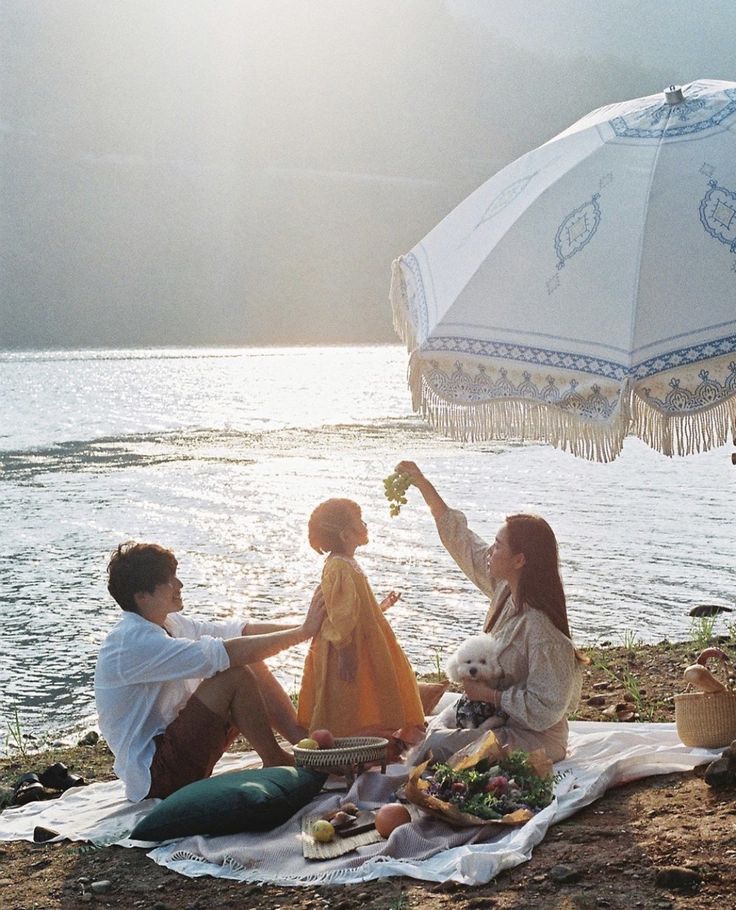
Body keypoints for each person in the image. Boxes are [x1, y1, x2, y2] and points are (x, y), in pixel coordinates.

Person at [95, 541, 325, 802]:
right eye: (170, 581)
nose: (180, 585)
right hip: (156, 775)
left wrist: (313, 627)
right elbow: (226, 653)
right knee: (235, 673)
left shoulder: (168, 624)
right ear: (142, 596)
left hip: (174, 753)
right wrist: (303, 632)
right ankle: (274, 759)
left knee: (248, 660)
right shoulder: (133, 641)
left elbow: (236, 633)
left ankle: (303, 744)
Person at [396, 461, 584, 763]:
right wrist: (423, 485)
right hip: (492, 717)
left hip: (534, 738)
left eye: (497, 547)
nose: (489, 552)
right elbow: (463, 542)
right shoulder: (505, 589)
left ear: (519, 560)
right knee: (426, 731)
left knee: (436, 747)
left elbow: (546, 709)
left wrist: (490, 696)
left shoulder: (542, 629)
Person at [296, 499, 425, 748]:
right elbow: (340, 614)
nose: (365, 525)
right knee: (347, 694)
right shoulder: (338, 566)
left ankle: (374, 737)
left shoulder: (347, 562)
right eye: (360, 521)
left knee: (368, 690)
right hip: (349, 645)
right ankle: (344, 742)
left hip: (364, 640)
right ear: (346, 535)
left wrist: (381, 607)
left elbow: (355, 607)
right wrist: (344, 649)